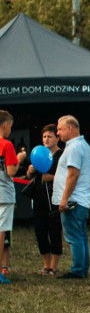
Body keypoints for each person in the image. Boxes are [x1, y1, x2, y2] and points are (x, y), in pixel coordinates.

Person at [53, 115, 90, 279]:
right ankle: (82, 268)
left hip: (73, 200)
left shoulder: (74, 148)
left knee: (74, 236)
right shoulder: (83, 145)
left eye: (60, 129)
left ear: (70, 128)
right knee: (81, 235)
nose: (58, 133)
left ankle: (78, 269)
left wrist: (64, 199)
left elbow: (73, 174)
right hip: (81, 199)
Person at [26, 124, 63, 275]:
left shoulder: (61, 155)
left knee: (54, 231)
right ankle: (46, 265)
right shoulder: (39, 154)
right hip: (38, 198)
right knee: (40, 232)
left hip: (54, 198)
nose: (46, 139)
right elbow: (31, 177)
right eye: (44, 137)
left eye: (50, 136)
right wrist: (30, 171)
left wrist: (52, 177)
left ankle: (53, 266)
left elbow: (69, 176)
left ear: (57, 138)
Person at [0, 110, 26, 283]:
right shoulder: (6, 144)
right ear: (5, 125)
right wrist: (20, 158)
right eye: (10, 126)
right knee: (1, 231)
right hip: (3, 193)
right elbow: (11, 171)